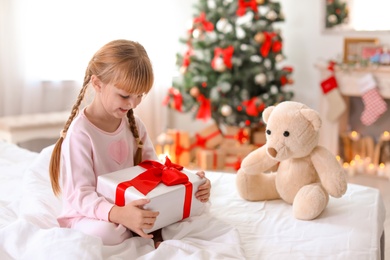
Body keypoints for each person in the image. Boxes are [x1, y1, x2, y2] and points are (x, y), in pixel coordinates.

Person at [49, 39, 211, 246]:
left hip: (129, 206)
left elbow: (154, 172)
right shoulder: (81, 133)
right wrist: (118, 214)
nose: (133, 103)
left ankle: (141, 227)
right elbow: (80, 196)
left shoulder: (135, 125)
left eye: (140, 96)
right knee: (107, 234)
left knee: (192, 212)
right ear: (97, 84)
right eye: (125, 95)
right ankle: (136, 229)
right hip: (89, 214)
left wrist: (186, 181)